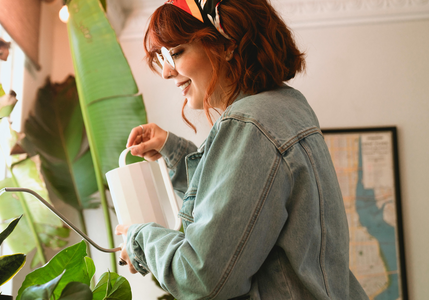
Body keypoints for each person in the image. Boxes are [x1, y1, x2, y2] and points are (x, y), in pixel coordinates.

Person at [114, 0, 368, 299]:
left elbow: (201, 277)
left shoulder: (251, 124)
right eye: (163, 57)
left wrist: (139, 238)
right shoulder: (285, 107)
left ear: (227, 43)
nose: (167, 72)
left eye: (176, 52)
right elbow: (244, 210)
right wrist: (173, 150)